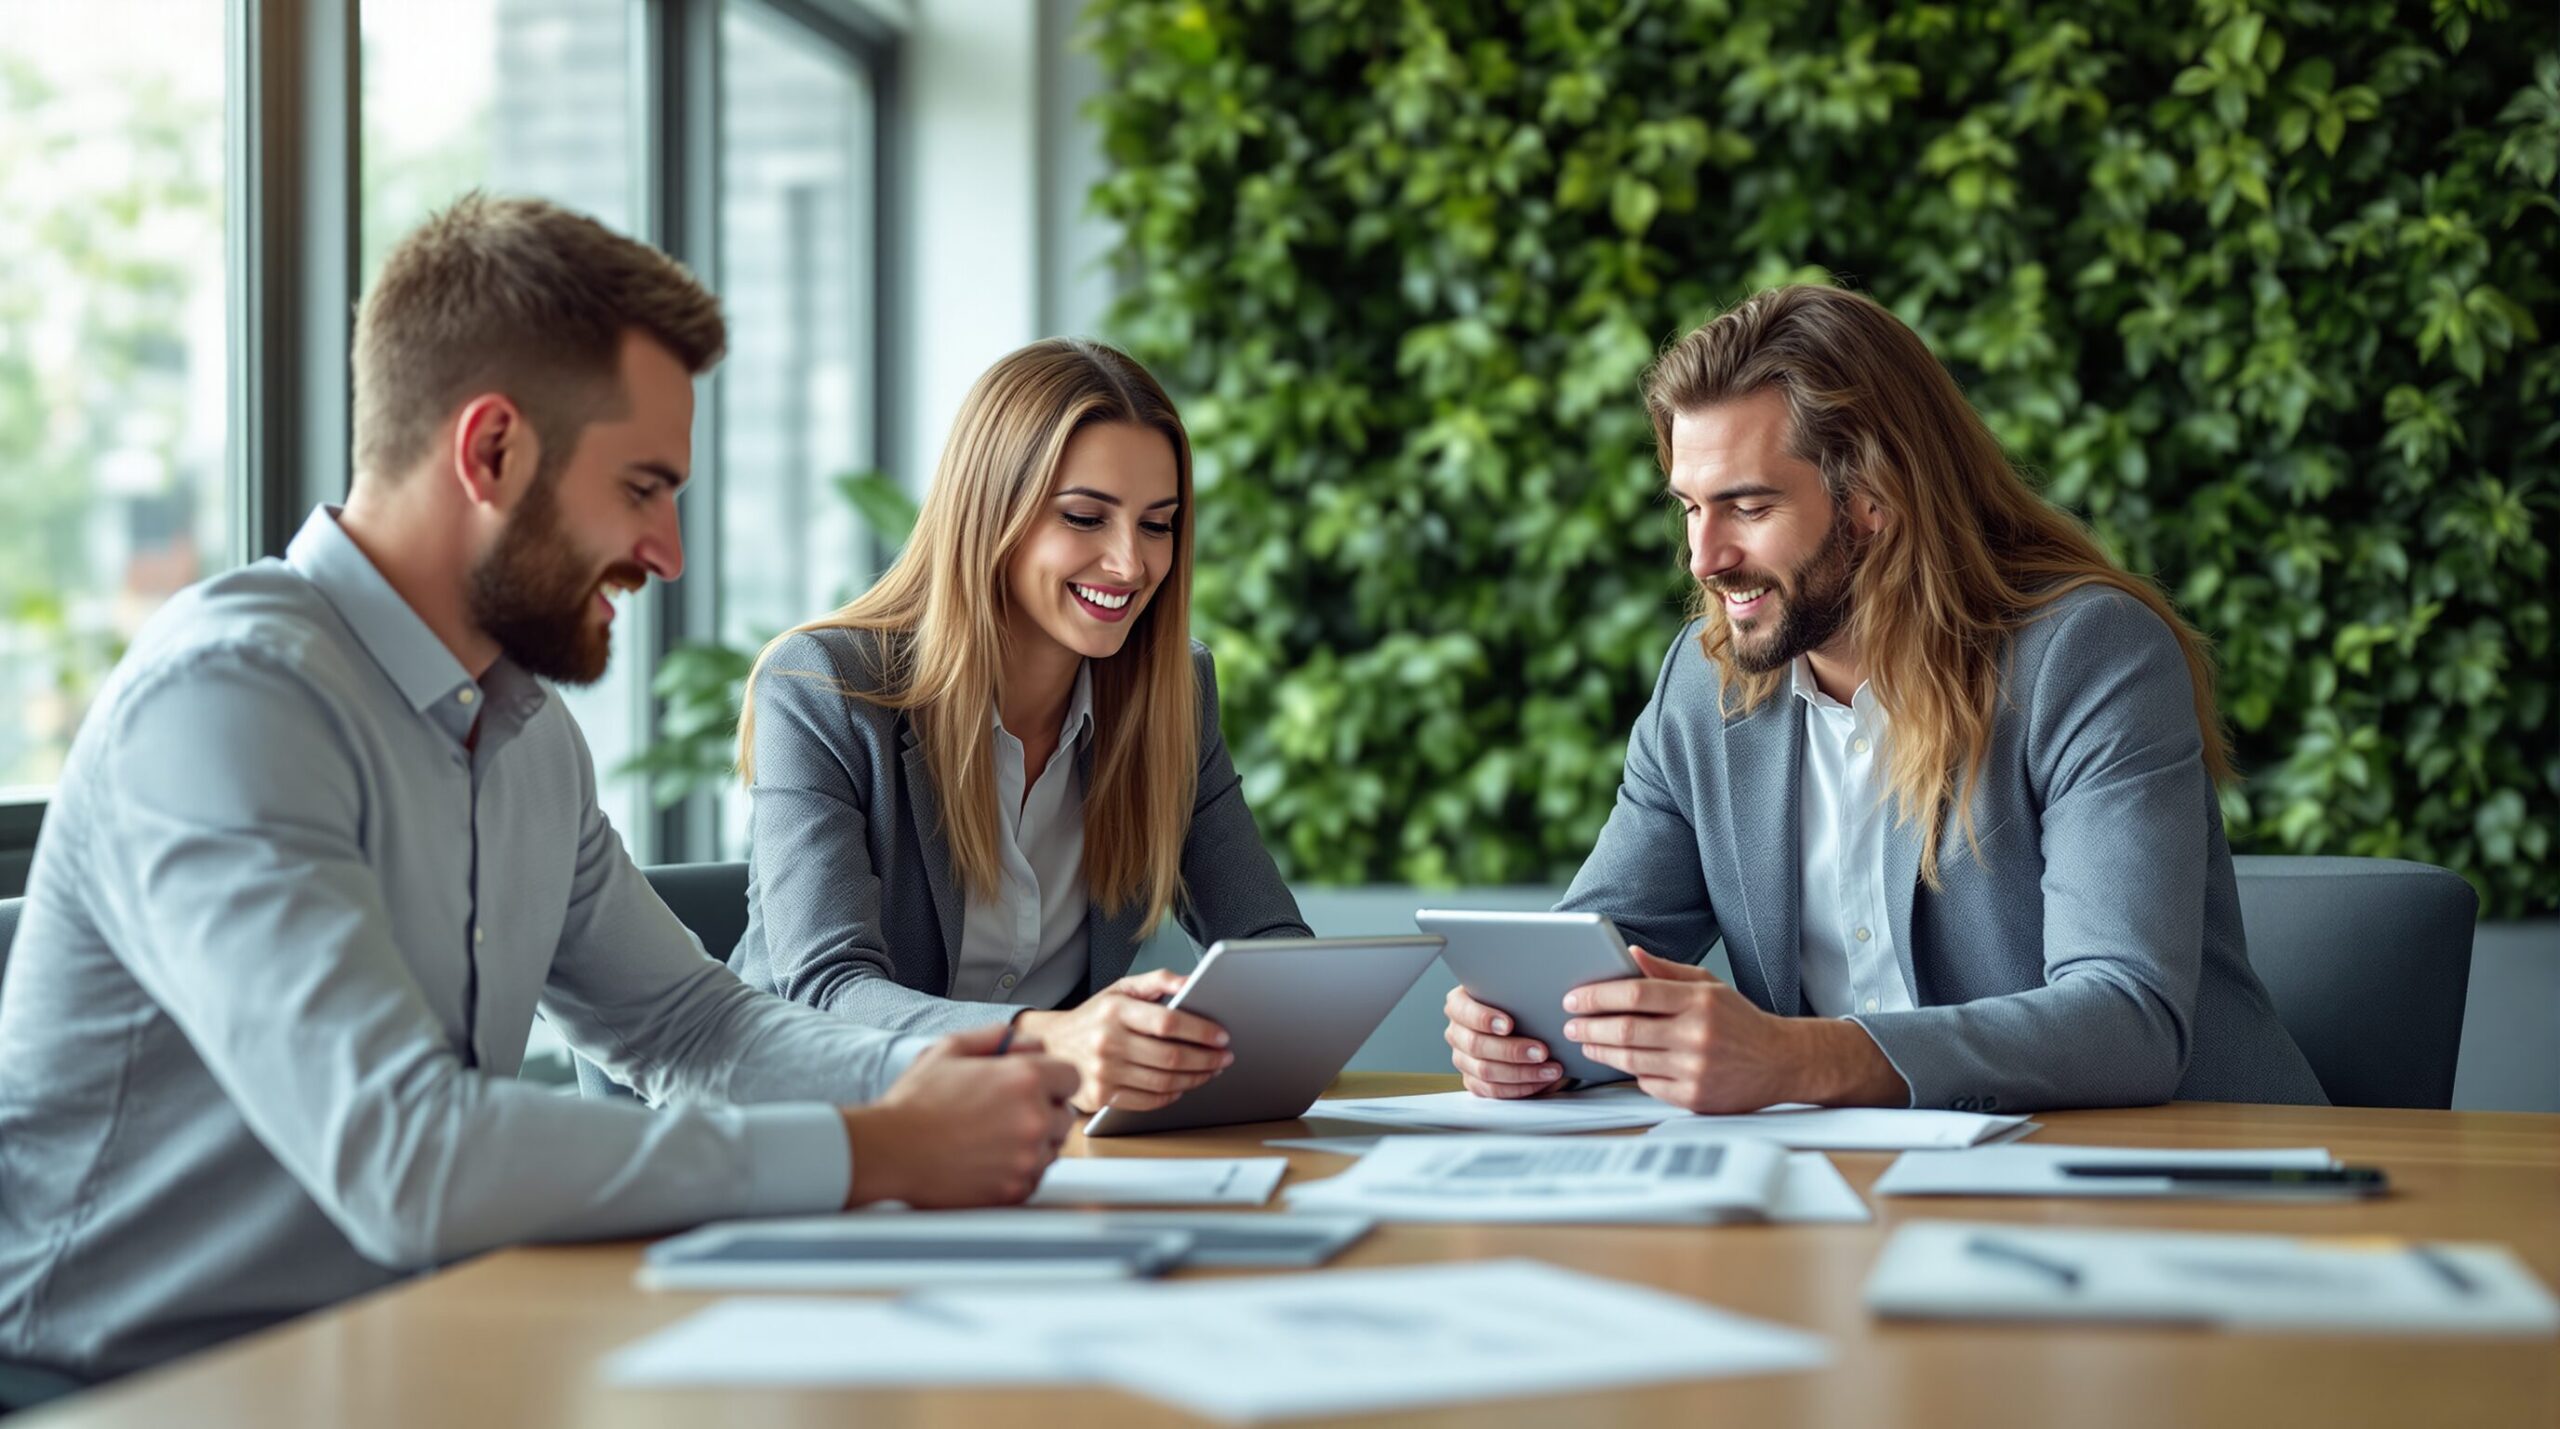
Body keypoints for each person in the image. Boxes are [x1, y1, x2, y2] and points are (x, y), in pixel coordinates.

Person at [0, 195, 1076, 1384]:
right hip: (136, 1387)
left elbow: (687, 1023)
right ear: (493, 450)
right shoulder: (227, 700)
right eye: (643, 487)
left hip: (406, 1345)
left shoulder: (524, 732)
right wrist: (869, 1150)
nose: (667, 550)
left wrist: (947, 1083)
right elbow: (407, 1153)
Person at [1443, 284, 2327, 1114]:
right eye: (1688, 508)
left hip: (2183, 1180)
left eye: (1745, 508)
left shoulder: (2087, 657)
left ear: (1872, 499)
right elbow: (1595, 967)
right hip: (1869, 1190)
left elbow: (2128, 1021)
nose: (1702, 559)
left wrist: (1797, 1057)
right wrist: (1524, 1033)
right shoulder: (1704, 689)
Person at [726, 338, 1309, 1115]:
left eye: (1158, 524)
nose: (1131, 564)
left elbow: (1269, 950)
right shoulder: (822, 686)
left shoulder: (1171, 692)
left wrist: (1487, 1038)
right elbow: (828, 994)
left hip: (1030, 1148)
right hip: (814, 1137)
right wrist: (1047, 1038)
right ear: (990, 509)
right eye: (1084, 517)